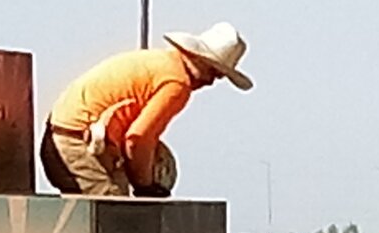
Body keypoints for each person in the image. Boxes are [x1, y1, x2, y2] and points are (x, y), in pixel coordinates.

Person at [41, 23, 251, 197]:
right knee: (118, 217)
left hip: (64, 139)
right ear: (198, 59)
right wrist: (145, 185)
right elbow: (138, 138)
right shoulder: (176, 84)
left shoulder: (158, 62)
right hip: (77, 145)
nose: (212, 81)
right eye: (214, 73)